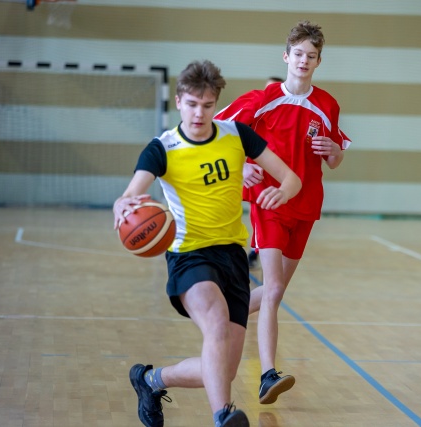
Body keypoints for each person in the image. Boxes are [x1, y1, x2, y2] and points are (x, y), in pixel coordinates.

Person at [113, 59, 301, 427]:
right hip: (189, 255)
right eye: (192, 104)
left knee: (222, 371)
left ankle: (151, 380)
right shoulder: (162, 148)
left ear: (216, 103)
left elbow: (291, 178)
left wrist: (282, 192)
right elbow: (131, 194)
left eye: (207, 105)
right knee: (215, 323)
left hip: (233, 256)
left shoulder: (236, 135)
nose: (199, 113)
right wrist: (123, 203)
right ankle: (223, 415)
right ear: (179, 102)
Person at [215, 20, 351, 404]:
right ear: (286, 56)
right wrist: (240, 167)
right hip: (269, 203)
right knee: (273, 288)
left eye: (312, 56)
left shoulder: (327, 106)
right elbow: (216, 133)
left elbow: (335, 159)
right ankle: (267, 374)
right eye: (298, 54)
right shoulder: (262, 99)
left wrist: (334, 152)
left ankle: (221, 316)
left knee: (275, 291)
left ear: (319, 61)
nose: (304, 61)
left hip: (305, 208)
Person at [247, 76, 284, 269]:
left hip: (284, 184)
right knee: (261, 222)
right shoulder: (254, 114)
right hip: (258, 180)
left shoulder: (289, 118)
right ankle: (254, 252)